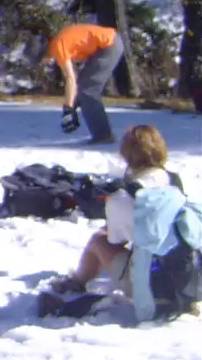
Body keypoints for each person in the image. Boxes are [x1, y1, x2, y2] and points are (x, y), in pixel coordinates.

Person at [47, 125, 197, 321]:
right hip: (187, 277)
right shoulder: (172, 181)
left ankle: (76, 282)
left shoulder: (125, 195)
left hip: (152, 287)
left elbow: (116, 239)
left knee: (98, 241)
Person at [40, 23, 123, 146]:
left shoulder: (57, 47)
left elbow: (70, 78)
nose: (42, 64)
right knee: (83, 88)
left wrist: (68, 109)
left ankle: (103, 136)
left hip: (109, 44)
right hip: (108, 43)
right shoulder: (57, 43)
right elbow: (73, 80)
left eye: (40, 62)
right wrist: (72, 106)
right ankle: (102, 134)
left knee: (88, 90)